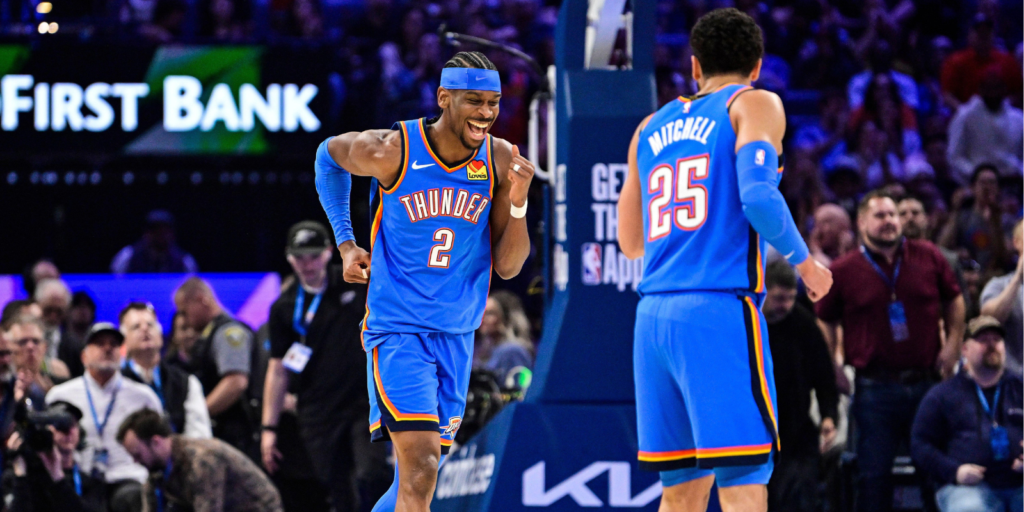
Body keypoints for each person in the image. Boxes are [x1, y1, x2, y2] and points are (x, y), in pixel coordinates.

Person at [616, 9, 833, 511]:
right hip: (716, 312)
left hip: (653, 319)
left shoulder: (650, 126)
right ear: (756, 66)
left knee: (681, 497)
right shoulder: (753, 102)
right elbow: (758, 195)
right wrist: (806, 264)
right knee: (742, 484)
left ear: (695, 66)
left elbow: (629, 242)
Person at [315, 49, 535, 512]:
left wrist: (518, 202)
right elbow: (327, 157)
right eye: (474, 101)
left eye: (493, 103)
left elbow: (510, 266)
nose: (486, 114)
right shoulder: (392, 149)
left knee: (413, 485)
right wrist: (346, 243)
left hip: (457, 335)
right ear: (444, 98)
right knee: (422, 468)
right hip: (398, 332)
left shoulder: (497, 159)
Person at [816, 190, 966, 512]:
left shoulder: (930, 256)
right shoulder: (843, 270)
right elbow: (824, 319)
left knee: (934, 473)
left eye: (893, 215)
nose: (890, 222)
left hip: (927, 383)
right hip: (875, 388)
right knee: (873, 478)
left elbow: (954, 300)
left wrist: (954, 343)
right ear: (861, 222)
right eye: (881, 216)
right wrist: (832, 365)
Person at [261, 221, 391, 511]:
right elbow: (278, 369)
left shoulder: (355, 281)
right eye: (299, 257)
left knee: (373, 474)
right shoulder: (283, 308)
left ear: (329, 252)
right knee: (337, 488)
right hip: (318, 414)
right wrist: (269, 428)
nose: (307, 264)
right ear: (288, 257)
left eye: (314, 255)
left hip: (362, 403)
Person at [45, 322, 164, 512]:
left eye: (114, 344)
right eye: (99, 343)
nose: (107, 348)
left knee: (130, 497)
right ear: (84, 356)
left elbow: (161, 444)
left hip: (128, 478)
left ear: (122, 353)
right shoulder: (60, 395)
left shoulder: (144, 396)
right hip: (79, 475)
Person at [911, 316, 1023, 512]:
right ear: (965, 350)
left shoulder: (1020, 387)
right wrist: (954, 471)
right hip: (967, 488)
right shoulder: (942, 395)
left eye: (996, 340)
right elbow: (920, 445)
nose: (991, 345)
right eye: (983, 340)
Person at [761, 261, 838, 512]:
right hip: (755, 429)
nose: (785, 305)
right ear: (763, 291)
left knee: (802, 498)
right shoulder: (746, 323)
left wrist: (828, 415)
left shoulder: (803, 322)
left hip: (796, 429)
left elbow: (824, 375)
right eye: (779, 298)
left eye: (791, 298)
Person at [117, 409, 282, 512]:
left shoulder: (203, 460)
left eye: (137, 454)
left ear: (156, 442)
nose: (135, 461)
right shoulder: (158, 469)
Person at [174, 277, 260, 461]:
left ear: (200, 299)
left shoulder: (228, 333)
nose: (185, 320)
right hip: (224, 432)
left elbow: (236, 382)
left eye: (184, 311)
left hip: (237, 436)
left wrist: (198, 415)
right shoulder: (209, 334)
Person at [118, 302, 212, 439]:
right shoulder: (117, 383)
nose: (145, 329)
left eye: (150, 324)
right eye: (136, 326)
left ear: (160, 334)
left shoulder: (185, 382)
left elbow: (200, 437)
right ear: (124, 340)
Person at [2, 400, 107, 512]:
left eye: (72, 425)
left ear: (80, 431)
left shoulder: (90, 482)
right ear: (45, 431)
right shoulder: (22, 478)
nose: (68, 432)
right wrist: (20, 476)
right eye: (60, 427)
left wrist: (58, 477)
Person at [947, 69, 1024, 182]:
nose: (993, 92)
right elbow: (954, 156)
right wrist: (976, 174)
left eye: (997, 87)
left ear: (1005, 89)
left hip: (1012, 178)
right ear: (980, 89)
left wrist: (1020, 171)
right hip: (976, 179)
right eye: (989, 88)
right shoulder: (964, 116)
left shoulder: (1018, 118)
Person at [939, 165, 1008, 273]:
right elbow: (941, 247)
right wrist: (955, 209)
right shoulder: (962, 216)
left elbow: (1005, 256)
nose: (987, 187)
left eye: (991, 182)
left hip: (995, 276)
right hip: (966, 275)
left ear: (998, 188)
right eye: (982, 182)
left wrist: (995, 220)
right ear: (972, 187)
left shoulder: (1007, 220)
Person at [981, 220, 1023, 375]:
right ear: (1016, 242)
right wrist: (1019, 276)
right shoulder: (998, 285)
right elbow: (990, 321)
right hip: (1011, 384)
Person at [111, 210, 199, 275]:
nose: (161, 235)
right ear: (146, 233)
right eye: (155, 231)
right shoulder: (128, 256)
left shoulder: (184, 260)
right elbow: (116, 283)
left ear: (172, 234)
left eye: (165, 231)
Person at [474, 291, 533, 385]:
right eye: (482, 312)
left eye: (490, 313)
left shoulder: (513, 351)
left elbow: (516, 393)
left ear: (506, 318)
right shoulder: (482, 349)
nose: (482, 318)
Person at [808, 203, 856, 268]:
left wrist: (844, 251)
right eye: (816, 223)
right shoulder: (807, 256)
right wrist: (816, 250)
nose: (818, 230)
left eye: (825, 222)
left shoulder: (857, 253)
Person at [62, 291, 96, 378]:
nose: (83, 310)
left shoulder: (97, 341)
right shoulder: (59, 341)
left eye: (87, 306)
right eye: (77, 306)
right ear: (67, 311)